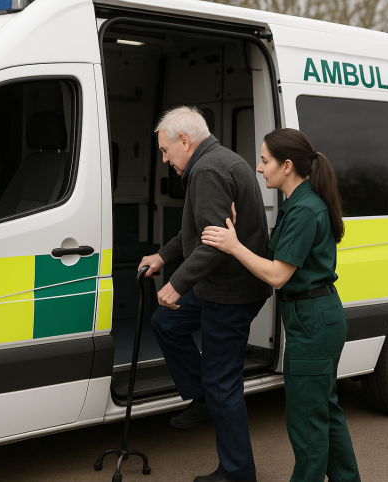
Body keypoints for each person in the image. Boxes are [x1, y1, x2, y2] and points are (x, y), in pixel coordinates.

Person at [201, 128, 361, 482]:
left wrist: (232, 246)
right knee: (325, 413)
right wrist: (238, 234)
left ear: (287, 166)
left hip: (313, 322)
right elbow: (273, 259)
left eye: (264, 160)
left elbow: (276, 275)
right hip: (317, 318)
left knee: (307, 423)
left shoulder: (305, 209)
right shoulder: (299, 203)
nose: (259, 168)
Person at [139, 106, 272, 482]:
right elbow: (200, 232)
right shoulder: (214, 161)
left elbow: (213, 245)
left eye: (166, 152)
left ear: (185, 141)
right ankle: (202, 396)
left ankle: (236, 472)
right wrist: (164, 255)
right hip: (221, 284)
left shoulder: (209, 170)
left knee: (223, 381)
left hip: (230, 291)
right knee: (166, 323)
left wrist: (176, 283)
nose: (165, 160)